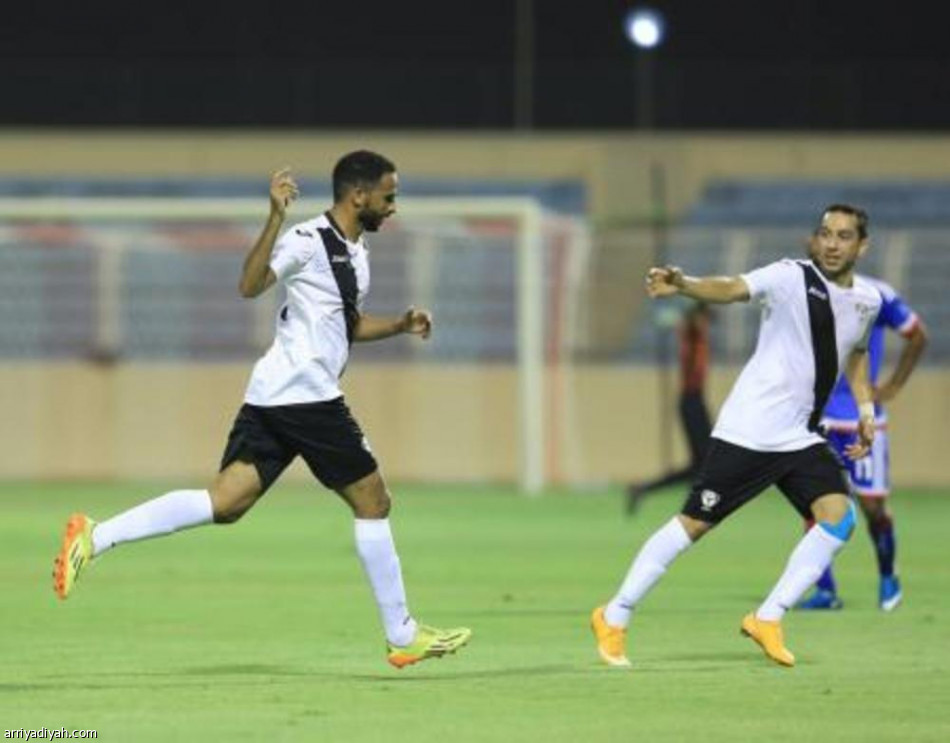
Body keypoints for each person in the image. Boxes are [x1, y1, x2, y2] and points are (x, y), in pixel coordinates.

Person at [53, 151, 472, 669]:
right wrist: (274, 218)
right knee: (374, 501)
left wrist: (401, 324)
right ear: (358, 195)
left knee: (225, 503)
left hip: (276, 394)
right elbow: (249, 286)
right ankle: (401, 633)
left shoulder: (357, 253)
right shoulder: (306, 239)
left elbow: (349, 325)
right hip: (308, 397)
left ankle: (96, 536)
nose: (393, 208)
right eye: (389, 197)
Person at [591, 204, 881, 668]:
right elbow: (732, 288)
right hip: (750, 431)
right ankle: (615, 613)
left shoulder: (868, 301)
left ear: (861, 246)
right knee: (692, 526)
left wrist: (866, 409)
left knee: (838, 518)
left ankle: (767, 617)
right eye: (825, 233)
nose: (831, 243)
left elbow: (858, 353)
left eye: (843, 236)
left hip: (800, 436)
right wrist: (685, 285)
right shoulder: (789, 277)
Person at [798, 239, 928, 612]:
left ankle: (888, 578)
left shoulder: (877, 295)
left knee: (872, 506)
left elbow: (917, 335)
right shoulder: (804, 294)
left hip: (861, 418)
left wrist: (894, 385)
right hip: (818, 419)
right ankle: (825, 590)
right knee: (814, 507)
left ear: (856, 250)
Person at [626, 301, 713, 514]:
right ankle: (695, 505)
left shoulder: (696, 334)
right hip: (691, 401)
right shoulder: (692, 334)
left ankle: (644, 489)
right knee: (705, 461)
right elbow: (687, 321)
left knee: (699, 464)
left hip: (695, 400)